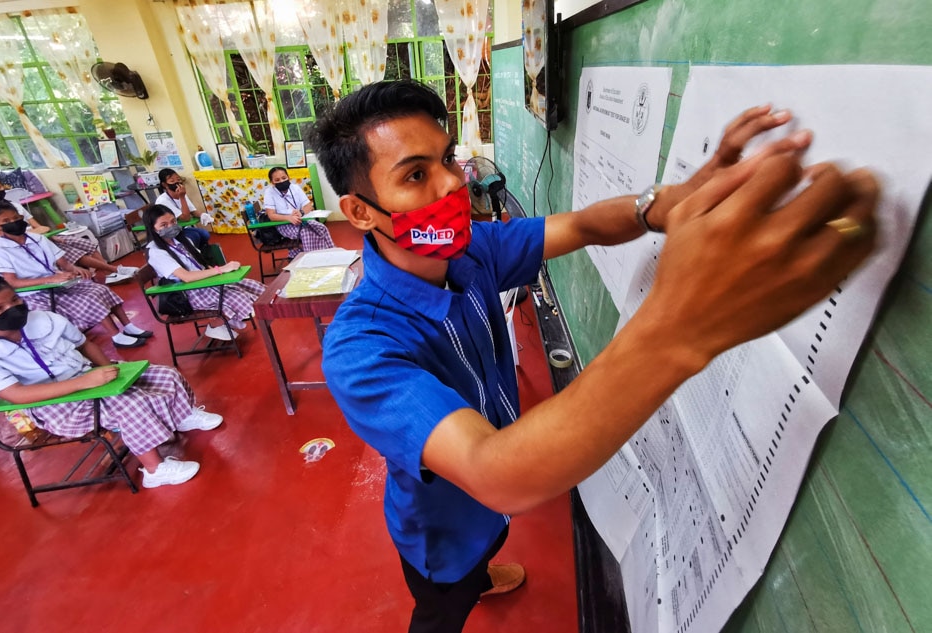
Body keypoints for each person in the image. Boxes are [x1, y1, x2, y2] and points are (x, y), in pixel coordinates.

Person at [308, 80, 878, 632]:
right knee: (443, 606)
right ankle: (464, 587)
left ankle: (481, 575)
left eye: (448, 159)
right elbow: (494, 472)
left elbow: (580, 225)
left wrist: (659, 206)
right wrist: (680, 325)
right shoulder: (361, 347)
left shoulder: (471, 253)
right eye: (415, 175)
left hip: (493, 514)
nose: (451, 186)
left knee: (488, 546)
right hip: (442, 532)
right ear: (360, 212)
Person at [0, 272, 221, 488]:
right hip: (56, 405)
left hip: (86, 374)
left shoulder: (44, 319)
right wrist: (85, 383)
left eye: (14, 300)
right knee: (130, 404)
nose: (12, 308)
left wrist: (107, 372)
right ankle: (155, 469)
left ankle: (183, 415)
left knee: (165, 374)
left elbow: (83, 343)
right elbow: (15, 395)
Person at [0, 201, 153, 349]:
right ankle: (116, 336)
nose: (14, 222)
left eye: (15, 218)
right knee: (88, 299)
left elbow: (63, 263)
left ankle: (129, 326)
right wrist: (51, 279)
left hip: (58, 283)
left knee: (99, 289)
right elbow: (11, 282)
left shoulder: (37, 238)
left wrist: (74, 269)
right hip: (34, 291)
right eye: (6, 221)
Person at [0, 173, 137, 285]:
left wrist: (40, 234)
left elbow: (40, 226)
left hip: (41, 238)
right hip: (25, 245)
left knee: (82, 243)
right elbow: (3, 234)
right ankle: (114, 269)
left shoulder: (15, 205)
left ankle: (108, 274)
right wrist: (35, 234)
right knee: (72, 252)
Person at [143, 204, 264, 342]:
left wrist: (221, 273)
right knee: (242, 298)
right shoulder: (156, 252)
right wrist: (221, 269)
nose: (170, 227)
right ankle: (215, 325)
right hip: (187, 292)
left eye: (173, 222)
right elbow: (186, 277)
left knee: (252, 286)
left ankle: (225, 321)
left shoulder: (180, 240)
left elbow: (200, 264)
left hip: (202, 283)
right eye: (163, 225)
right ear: (152, 228)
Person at [262, 166, 335, 256]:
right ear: (272, 182)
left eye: (284, 178)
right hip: (284, 223)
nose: (281, 181)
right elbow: (271, 215)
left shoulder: (295, 188)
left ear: (288, 177)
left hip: (301, 219)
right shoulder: (269, 192)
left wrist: (301, 212)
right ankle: (310, 258)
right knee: (306, 232)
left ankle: (329, 253)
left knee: (321, 228)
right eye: (277, 180)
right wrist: (288, 218)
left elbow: (308, 206)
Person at [154, 168, 213, 248]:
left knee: (204, 234)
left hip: (181, 228)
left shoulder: (181, 194)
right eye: (172, 181)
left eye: (178, 179)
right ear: (164, 185)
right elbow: (185, 218)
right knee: (195, 236)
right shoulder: (163, 200)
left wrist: (202, 215)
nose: (177, 183)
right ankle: (193, 255)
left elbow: (193, 211)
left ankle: (200, 253)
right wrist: (182, 197)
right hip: (170, 232)